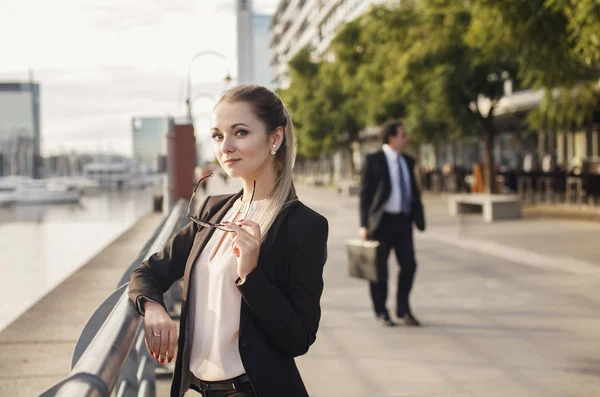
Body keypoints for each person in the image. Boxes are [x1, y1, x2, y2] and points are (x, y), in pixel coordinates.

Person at [128, 85, 329, 397]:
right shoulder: (214, 209)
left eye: (240, 132)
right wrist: (153, 308)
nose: (225, 147)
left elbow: (297, 338)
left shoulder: (303, 226)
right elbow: (147, 272)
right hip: (196, 389)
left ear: (274, 138)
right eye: (218, 136)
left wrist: (251, 276)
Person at [359, 120, 425, 327]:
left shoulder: (408, 160)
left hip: (403, 221)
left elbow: (413, 189)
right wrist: (364, 223)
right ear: (392, 138)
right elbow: (365, 194)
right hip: (381, 222)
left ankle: (403, 309)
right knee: (379, 270)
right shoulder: (373, 160)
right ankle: (381, 311)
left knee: (409, 265)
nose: (407, 138)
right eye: (403, 135)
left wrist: (418, 214)